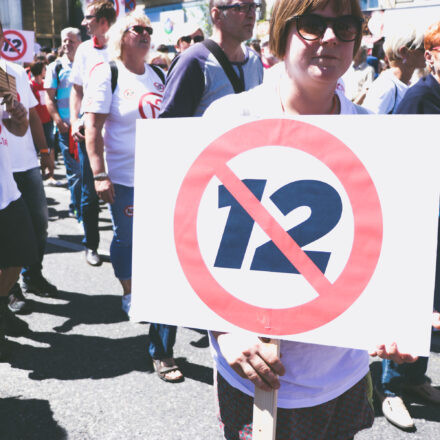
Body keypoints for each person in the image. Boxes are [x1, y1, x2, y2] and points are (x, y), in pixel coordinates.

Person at [203, 0, 419, 438]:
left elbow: (387, 250)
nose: (330, 39)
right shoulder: (229, 120)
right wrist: (223, 330)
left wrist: (396, 318)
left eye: (345, 26)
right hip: (259, 373)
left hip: (344, 375)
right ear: (283, 32)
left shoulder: (375, 136)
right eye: (313, 24)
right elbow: (191, 241)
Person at [156, 0, 264, 384]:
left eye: (255, 5)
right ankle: (163, 350)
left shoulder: (255, 62)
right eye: (241, 7)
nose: (252, 12)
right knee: (178, 269)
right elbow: (167, 130)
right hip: (199, 186)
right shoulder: (193, 61)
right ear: (216, 14)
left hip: (241, 184)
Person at [82, 11, 175, 382]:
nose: (145, 34)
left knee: (160, 252)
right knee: (128, 239)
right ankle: (129, 289)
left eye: (149, 30)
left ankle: (161, 334)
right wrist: (100, 174)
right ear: (122, 34)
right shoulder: (109, 73)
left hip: (160, 178)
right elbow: (93, 128)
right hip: (123, 178)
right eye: (138, 28)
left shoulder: (158, 74)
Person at [375, 20, 440, 431]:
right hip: (419, 214)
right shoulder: (420, 97)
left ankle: (414, 377)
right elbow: (395, 159)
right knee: (412, 298)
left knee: (432, 303)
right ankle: (391, 387)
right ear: (432, 55)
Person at [1, 24, 58, 311]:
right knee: (8, 238)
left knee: (38, 224)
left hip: (24, 165)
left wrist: (45, 151)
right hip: (3, 170)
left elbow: (30, 116)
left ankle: (32, 277)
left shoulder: (13, 72)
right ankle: (11, 294)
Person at [70, 0, 116, 266]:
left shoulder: (122, 45)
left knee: (123, 189)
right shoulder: (85, 49)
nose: (84, 23)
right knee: (90, 192)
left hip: (119, 131)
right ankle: (91, 245)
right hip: (91, 131)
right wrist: (76, 120)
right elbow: (77, 89)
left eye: (88, 18)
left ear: (103, 21)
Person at [0, 57, 36, 359]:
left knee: (21, 252)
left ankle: (1, 308)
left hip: (7, 191)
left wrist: (18, 113)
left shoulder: (3, 82)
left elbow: (18, 130)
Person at [45, 27, 82, 221]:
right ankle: (78, 208)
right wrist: (58, 121)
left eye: (71, 40)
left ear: (80, 42)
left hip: (87, 128)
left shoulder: (87, 64)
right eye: (64, 41)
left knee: (89, 172)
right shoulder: (55, 67)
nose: (67, 44)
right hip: (66, 130)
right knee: (75, 173)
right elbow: (49, 98)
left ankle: (82, 204)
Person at [363, 26, 426, 114]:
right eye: (423, 48)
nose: (427, 52)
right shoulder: (385, 87)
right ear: (404, 52)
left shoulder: (406, 83)